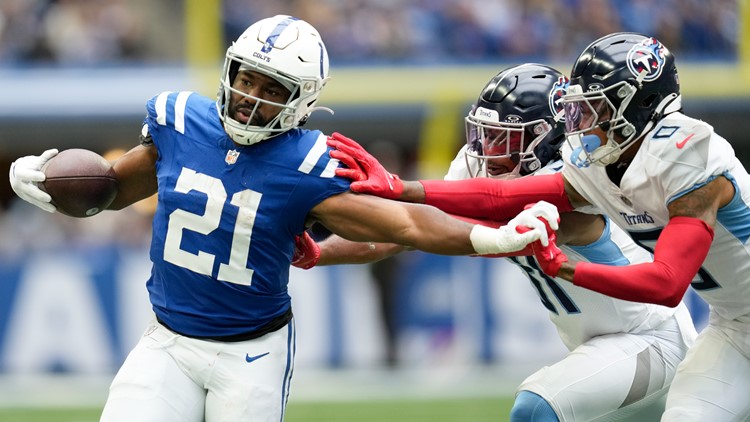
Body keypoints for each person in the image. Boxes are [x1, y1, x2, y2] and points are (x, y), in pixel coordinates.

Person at [7, 15, 559, 422]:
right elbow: (111, 190)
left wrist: (490, 237)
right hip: (167, 342)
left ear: (301, 102)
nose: (250, 98)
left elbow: (404, 225)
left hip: (250, 353)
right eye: (246, 79)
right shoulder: (181, 121)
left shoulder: (306, 162)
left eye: (273, 90)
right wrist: (46, 181)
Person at [326, 33, 750, 421]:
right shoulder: (594, 164)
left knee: (534, 409)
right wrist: (322, 245)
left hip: (647, 337)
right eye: (485, 136)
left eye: (504, 141)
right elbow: (406, 230)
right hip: (722, 328)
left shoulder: (672, 159)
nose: (486, 152)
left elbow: (667, 282)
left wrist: (565, 268)